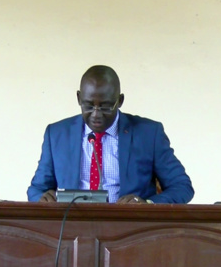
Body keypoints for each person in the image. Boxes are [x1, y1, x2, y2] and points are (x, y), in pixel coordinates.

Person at [28, 65, 194, 203]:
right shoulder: (57, 134)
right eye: (88, 105)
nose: (96, 114)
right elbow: (36, 189)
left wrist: (147, 205)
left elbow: (182, 186)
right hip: (71, 227)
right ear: (79, 98)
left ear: (120, 101)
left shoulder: (149, 134)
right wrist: (43, 201)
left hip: (129, 230)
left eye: (106, 106)